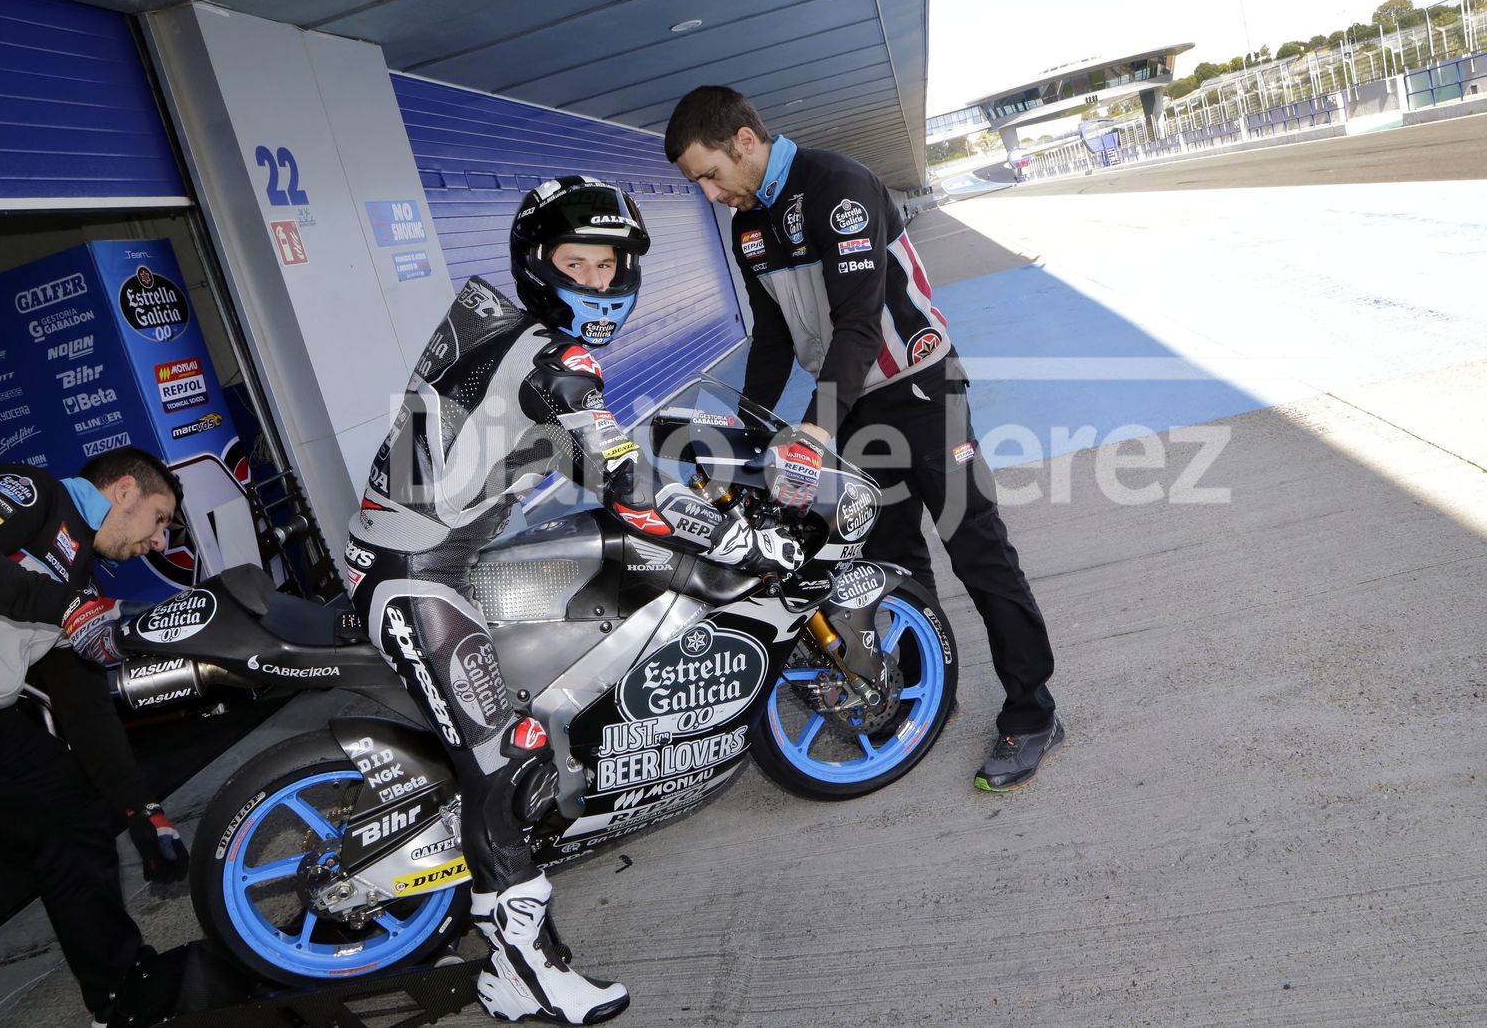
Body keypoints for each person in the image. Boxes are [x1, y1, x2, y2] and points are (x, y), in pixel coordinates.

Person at [345, 175, 801, 1025]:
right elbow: (627, 487)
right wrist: (740, 540)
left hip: (421, 550)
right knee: (508, 757)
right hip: (413, 572)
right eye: (575, 264)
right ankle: (522, 974)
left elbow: (531, 444)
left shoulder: (500, 327)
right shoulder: (559, 360)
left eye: (607, 266)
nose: (594, 283)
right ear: (536, 265)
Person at [664, 85, 1064, 794]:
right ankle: (923, 694)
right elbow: (774, 336)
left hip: (920, 389)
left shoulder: (839, 186)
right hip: (849, 406)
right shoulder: (747, 225)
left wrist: (816, 425)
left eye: (708, 173)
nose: (707, 192)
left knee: (977, 547)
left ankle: (1033, 715)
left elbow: (856, 320)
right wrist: (744, 422)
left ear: (745, 142)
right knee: (890, 560)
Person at [0, 447, 184, 1025]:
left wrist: (144, 811)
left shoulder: (78, 575)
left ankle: (120, 988)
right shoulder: (31, 492)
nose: (160, 542)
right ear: (125, 491)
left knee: (72, 816)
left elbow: (82, 707)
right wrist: (68, 608)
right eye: (161, 518)